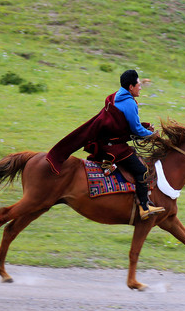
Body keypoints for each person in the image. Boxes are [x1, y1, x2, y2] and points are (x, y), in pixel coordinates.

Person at [45, 70, 165, 220]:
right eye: (138, 84)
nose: (140, 87)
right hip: (114, 147)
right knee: (141, 171)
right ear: (130, 87)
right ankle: (144, 207)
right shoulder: (129, 103)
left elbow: (124, 125)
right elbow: (135, 129)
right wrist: (151, 135)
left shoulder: (116, 96)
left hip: (104, 142)